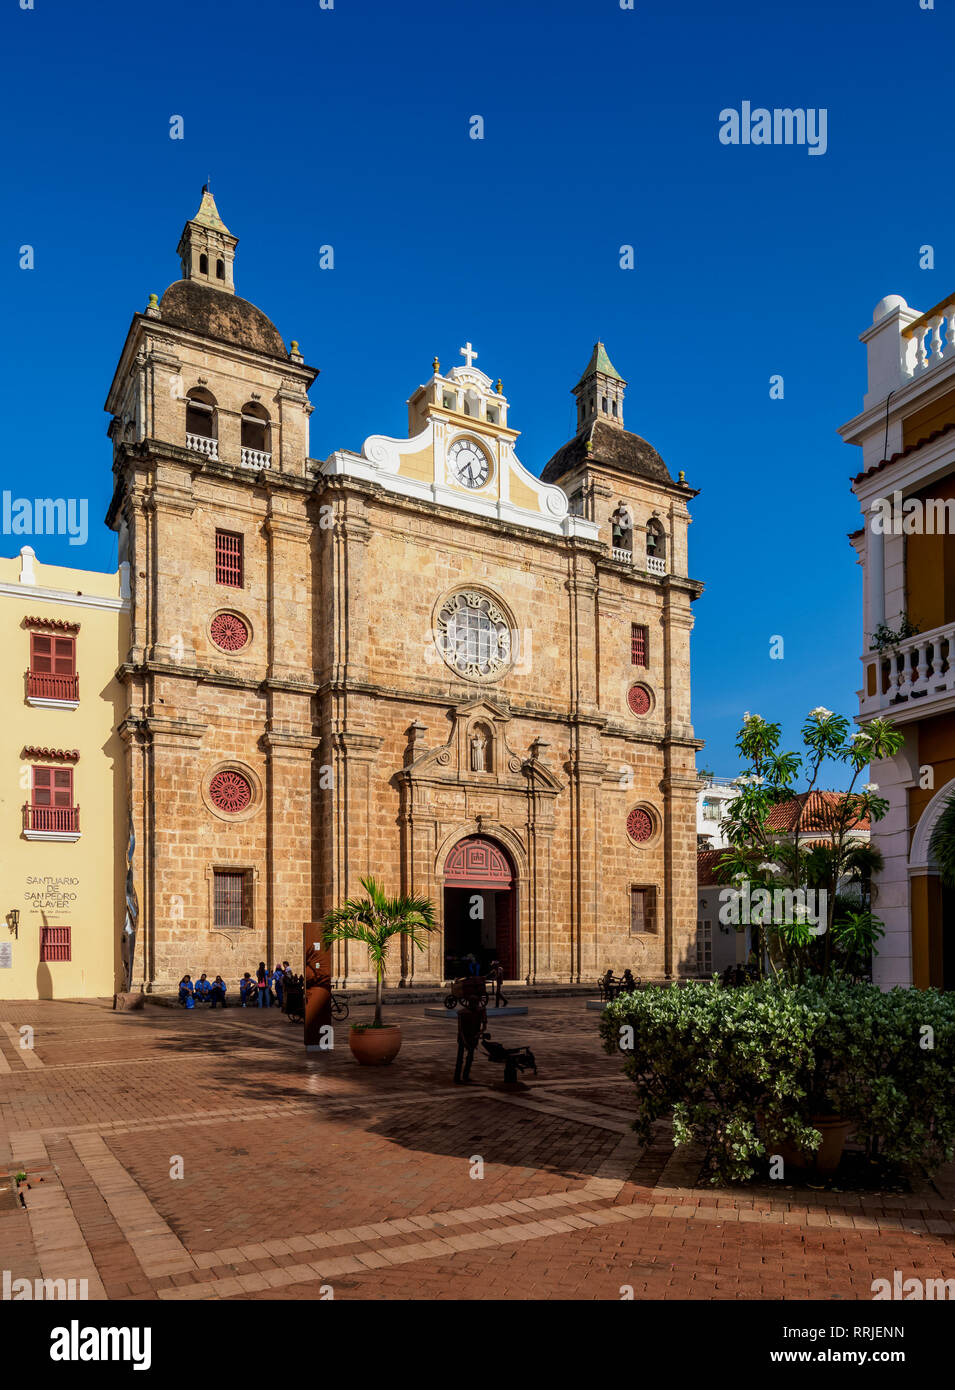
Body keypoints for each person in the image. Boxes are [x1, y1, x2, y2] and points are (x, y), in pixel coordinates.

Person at [454, 995, 486, 1084]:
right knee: (460, 1058)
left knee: (469, 1058)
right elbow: (460, 1029)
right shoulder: (463, 1013)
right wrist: (465, 1041)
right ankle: (458, 1077)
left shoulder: (480, 1011)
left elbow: (484, 1027)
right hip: (464, 1037)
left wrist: (478, 1034)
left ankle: (465, 1076)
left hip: (472, 1037)